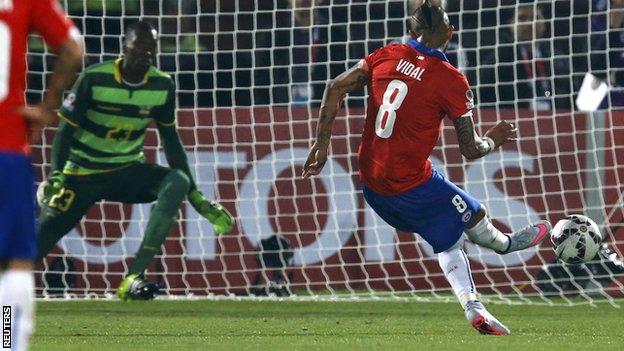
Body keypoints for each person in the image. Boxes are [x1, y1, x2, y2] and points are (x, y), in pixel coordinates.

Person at [302, 1, 551, 335]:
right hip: (408, 185)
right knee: (467, 224)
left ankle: (486, 288)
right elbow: (470, 149)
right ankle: (497, 259)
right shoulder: (451, 79)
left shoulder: (385, 55)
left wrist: (321, 142)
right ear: (450, 33)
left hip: (372, 183)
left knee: (464, 221)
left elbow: (334, 87)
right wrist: (493, 140)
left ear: (410, 30)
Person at [36, 21, 234, 301]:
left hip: (125, 172)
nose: (146, 54)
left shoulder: (162, 85)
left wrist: (196, 196)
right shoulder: (94, 79)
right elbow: (64, 132)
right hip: (81, 175)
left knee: (176, 180)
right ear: (123, 48)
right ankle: (5, 320)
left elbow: (171, 141)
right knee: (33, 247)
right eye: (139, 47)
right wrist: (57, 175)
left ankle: (133, 277)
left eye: (151, 48)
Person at [0, 1, 84, 350]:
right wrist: (48, 107)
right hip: (6, 147)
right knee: (13, 260)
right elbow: (73, 48)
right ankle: (8, 342)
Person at [478, 2, 585, 110]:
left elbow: (574, 100)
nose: (530, 23)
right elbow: (483, 100)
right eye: (522, 18)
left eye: (535, 17)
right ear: (511, 24)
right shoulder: (497, 61)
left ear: (544, 23)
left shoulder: (560, 61)